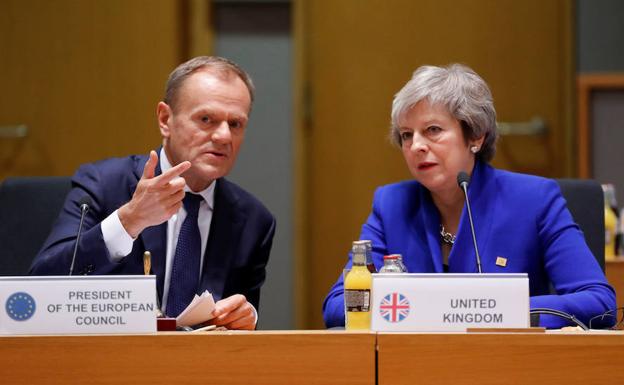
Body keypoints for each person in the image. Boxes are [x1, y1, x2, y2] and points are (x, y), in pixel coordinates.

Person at [323, 64, 616, 329]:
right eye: (406, 135)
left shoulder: (535, 200)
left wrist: (497, 311)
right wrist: (435, 310)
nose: (416, 146)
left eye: (432, 130)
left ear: (476, 136)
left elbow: (599, 303)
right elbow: (340, 304)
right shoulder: (392, 205)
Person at [30, 56, 276, 330]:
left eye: (235, 124)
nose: (223, 136)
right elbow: (41, 284)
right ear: (165, 120)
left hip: (199, 368)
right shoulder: (104, 184)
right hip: (109, 361)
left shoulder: (254, 221)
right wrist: (129, 221)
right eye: (206, 119)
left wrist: (247, 315)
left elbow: (241, 311)